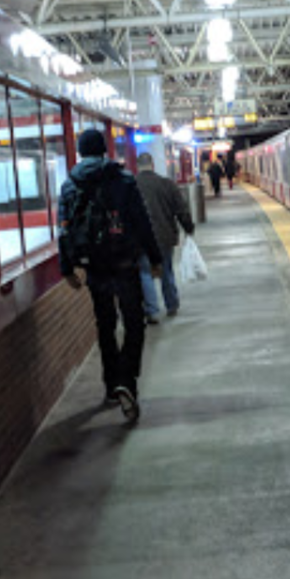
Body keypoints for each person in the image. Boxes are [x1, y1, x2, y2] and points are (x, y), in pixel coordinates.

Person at [58, 129, 163, 422]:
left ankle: (110, 386)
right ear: (104, 150)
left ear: (80, 152)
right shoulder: (124, 179)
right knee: (134, 322)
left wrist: (67, 268)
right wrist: (155, 258)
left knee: (105, 324)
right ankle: (126, 381)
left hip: (94, 266)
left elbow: (63, 228)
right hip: (125, 263)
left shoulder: (70, 185)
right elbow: (142, 222)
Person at [134, 152, 195, 323]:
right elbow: (181, 209)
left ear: (137, 166)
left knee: (145, 273)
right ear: (152, 165)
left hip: (141, 239)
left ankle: (152, 311)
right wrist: (188, 228)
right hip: (164, 236)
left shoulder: (132, 185)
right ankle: (171, 304)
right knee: (166, 270)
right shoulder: (167, 184)